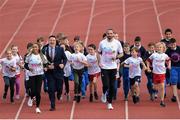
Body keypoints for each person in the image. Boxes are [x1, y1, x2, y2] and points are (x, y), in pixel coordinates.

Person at [98, 28, 123, 110]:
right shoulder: (102, 43)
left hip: (113, 67)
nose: (109, 35)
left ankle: (109, 103)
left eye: (111, 33)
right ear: (106, 34)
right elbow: (98, 53)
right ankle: (104, 93)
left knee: (112, 86)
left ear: (113, 34)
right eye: (108, 33)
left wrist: (116, 57)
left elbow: (121, 54)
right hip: (104, 66)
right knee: (106, 85)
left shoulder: (117, 43)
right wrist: (99, 62)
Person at [42, 35, 67, 111]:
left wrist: (63, 64)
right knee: (51, 89)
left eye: (53, 40)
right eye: (51, 40)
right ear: (48, 41)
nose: (52, 41)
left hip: (59, 71)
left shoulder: (60, 49)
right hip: (49, 73)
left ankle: (59, 94)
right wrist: (45, 67)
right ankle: (52, 105)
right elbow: (42, 60)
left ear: (56, 41)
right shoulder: (44, 50)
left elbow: (65, 58)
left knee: (59, 88)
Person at [24, 43, 48, 113]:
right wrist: (29, 68)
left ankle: (37, 107)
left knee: (38, 92)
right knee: (33, 90)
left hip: (39, 74)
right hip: (32, 75)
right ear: (32, 48)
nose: (35, 48)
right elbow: (25, 65)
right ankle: (31, 97)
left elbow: (46, 63)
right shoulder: (29, 56)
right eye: (34, 47)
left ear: (38, 48)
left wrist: (46, 67)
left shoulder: (42, 56)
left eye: (36, 47)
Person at [146, 42, 171, 107]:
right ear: (156, 48)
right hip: (155, 73)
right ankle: (153, 89)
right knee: (155, 87)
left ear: (163, 48)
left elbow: (169, 60)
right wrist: (148, 68)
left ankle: (162, 101)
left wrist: (169, 66)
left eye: (160, 47)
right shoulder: (154, 55)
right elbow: (148, 61)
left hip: (162, 73)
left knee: (162, 86)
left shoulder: (165, 55)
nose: (159, 48)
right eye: (158, 47)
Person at [166, 38, 180, 102]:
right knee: (174, 81)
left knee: (179, 83)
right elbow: (167, 59)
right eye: (171, 44)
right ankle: (174, 95)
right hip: (173, 67)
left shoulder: (179, 49)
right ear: (169, 44)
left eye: (174, 44)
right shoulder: (168, 51)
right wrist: (168, 65)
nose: (173, 45)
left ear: (176, 43)